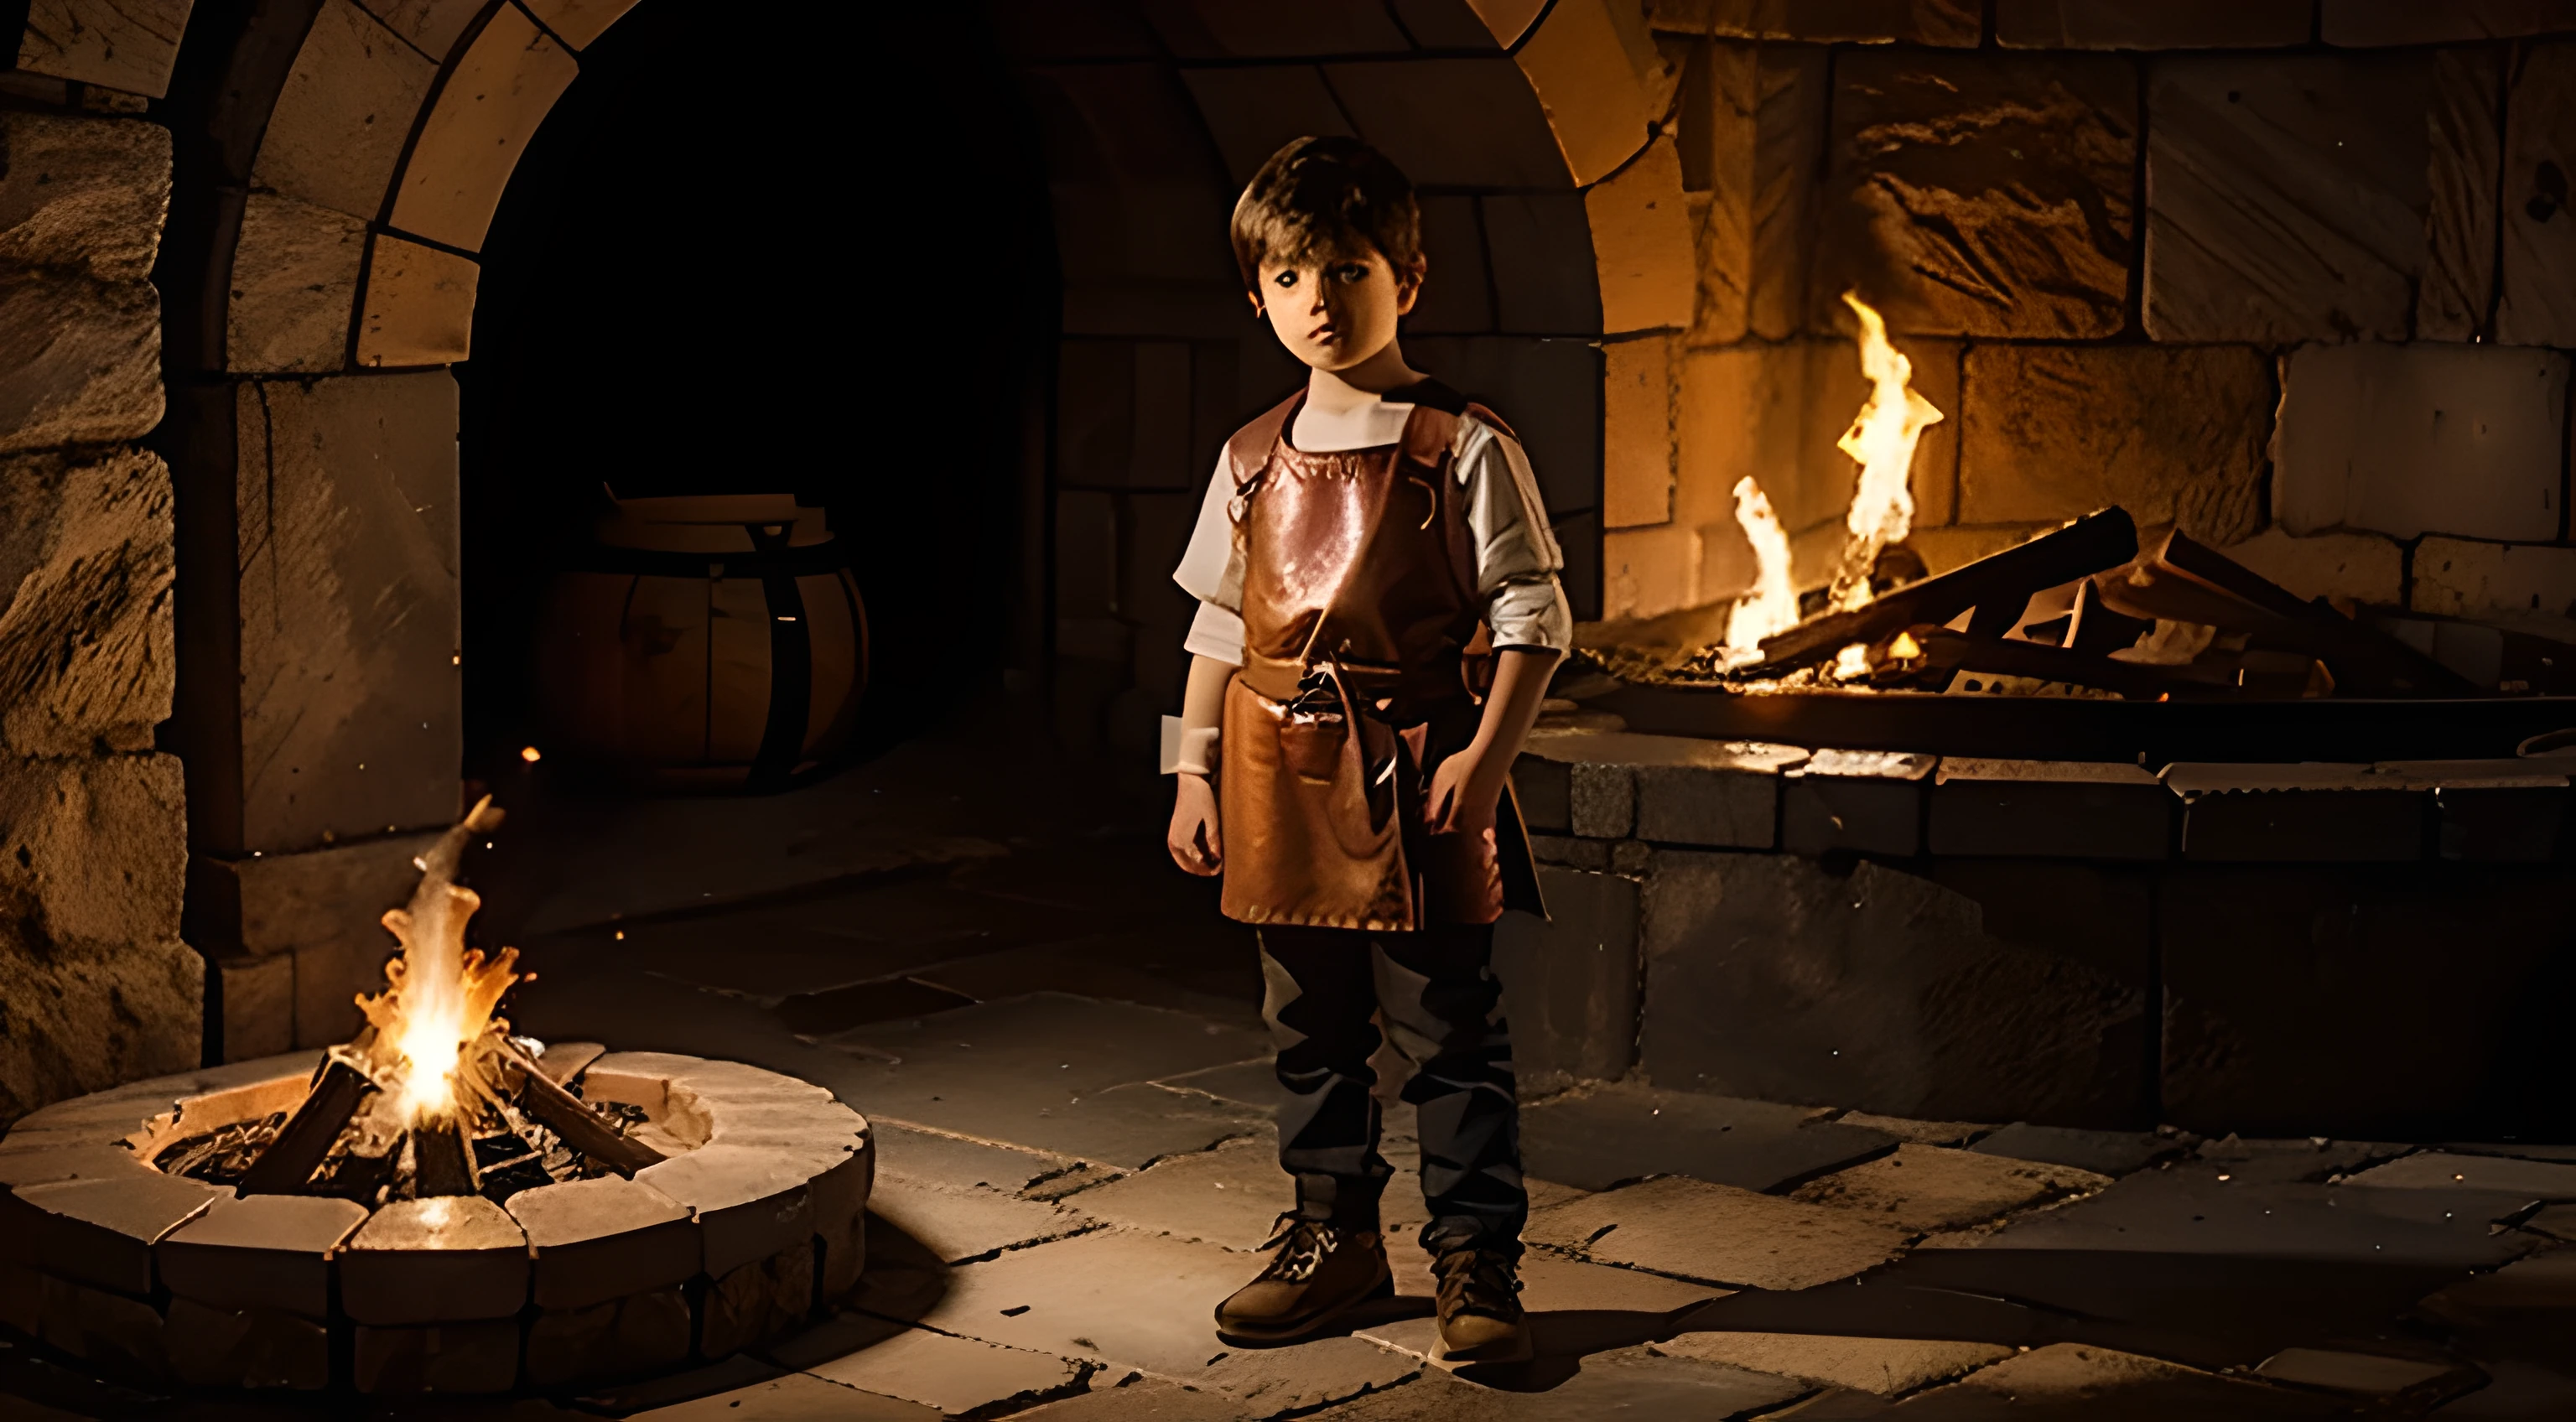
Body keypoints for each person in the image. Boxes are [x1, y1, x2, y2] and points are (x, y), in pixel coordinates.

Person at [1162, 135, 1571, 1365]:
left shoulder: (1462, 448)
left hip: (1419, 773)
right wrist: (1189, 769)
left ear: (1408, 277)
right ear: (1258, 296)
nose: (1319, 302)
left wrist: (1487, 761)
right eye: (1291, 277)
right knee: (1308, 1026)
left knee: (1449, 1027)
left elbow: (1533, 619)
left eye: (1348, 270)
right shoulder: (1249, 458)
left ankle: (1476, 1260)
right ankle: (1332, 1235)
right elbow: (1221, 622)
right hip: (1272, 774)